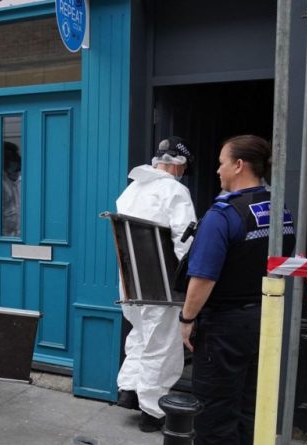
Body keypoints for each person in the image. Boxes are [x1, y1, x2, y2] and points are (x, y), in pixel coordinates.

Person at [179, 135, 295, 445]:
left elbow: (203, 278)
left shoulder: (222, 215)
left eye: (221, 164)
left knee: (215, 413)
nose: (218, 171)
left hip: (224, 327)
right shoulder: (278, 209)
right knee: (250, 407)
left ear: (239, 165)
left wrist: (187, 319)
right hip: (265, 320)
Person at [115, 136, 197, 432]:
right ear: (179, 165)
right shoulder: (175, 190)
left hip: (130, 280)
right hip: (161, 281)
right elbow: (185, 238)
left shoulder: (132, 189)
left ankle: (129, 390)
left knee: (140, 334)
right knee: (162, 344)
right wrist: (191, 283)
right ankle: (153, 412)